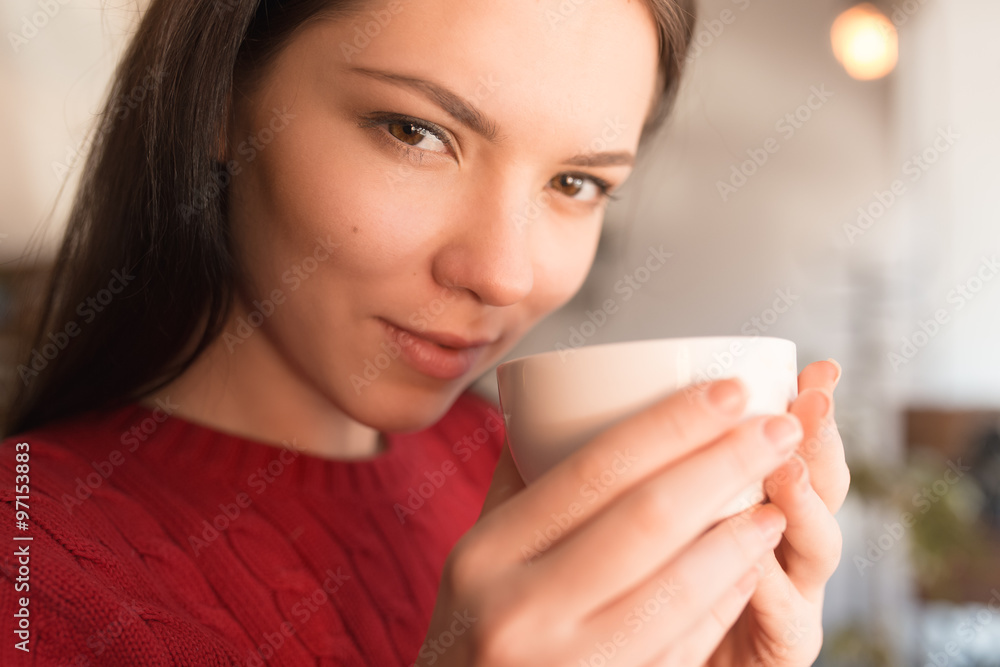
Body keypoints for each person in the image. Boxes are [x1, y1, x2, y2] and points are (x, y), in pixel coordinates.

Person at [0, 0, 849, 664]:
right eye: (417, 132)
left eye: (577, 182)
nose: (504, 273)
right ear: (221, 98)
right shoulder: (32, 568)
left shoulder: (524, 472)